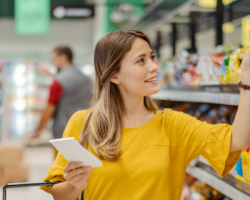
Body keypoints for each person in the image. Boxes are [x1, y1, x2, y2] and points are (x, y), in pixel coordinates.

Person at [40, 30, 250, 199]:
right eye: (141, 61)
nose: (154, 66)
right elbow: (58, 192)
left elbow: (237, 139)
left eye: (152, 57)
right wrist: (74, 185)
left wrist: (247, 84)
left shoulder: (172, 125)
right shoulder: (84, 124)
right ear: (114, 75)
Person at [32, 46, 93, 158]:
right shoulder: (87, 80)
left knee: (62, 171)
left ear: (63, 57)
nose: (53, 63)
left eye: (54, 59)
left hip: (63, 136)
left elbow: (49, 109)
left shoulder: (58, 83)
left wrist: (37, 130)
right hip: (85, 134)